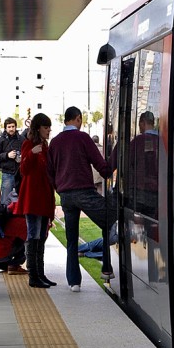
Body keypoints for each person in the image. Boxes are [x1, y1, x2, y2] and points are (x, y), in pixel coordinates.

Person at [46, 106, 114, 291]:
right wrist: (113, 162)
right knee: (110, 220)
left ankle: (74, 281)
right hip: (85, 192)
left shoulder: (55, 142)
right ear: (77, 119)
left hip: (66, 195)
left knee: (71, 238)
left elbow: (50, 172)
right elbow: (102, 166)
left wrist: (59, 189)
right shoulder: (83, 138)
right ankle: (107, 268)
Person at [14, 112, 56, 288]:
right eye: (46, 128)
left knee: (41, 236)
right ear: (38, 128)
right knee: (34, 235)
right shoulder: (28, 145)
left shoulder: (45, 146)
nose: (48, 131)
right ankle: (33, 274)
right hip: (33, 197)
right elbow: (23, 170)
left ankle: (40, 273)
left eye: (49, 128)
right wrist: (31, 153)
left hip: (43, 196)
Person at [0, 117, 23, 205]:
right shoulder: (0, 140)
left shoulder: (21, 139)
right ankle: (4, 218)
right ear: (5, 128)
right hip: (7, 174)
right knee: (5, 202)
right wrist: (7, 155)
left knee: (21, 201)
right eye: (9, 127)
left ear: (16, 127)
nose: (11, 129)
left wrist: (22, 157)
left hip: (20, 174)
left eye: (13, 126)